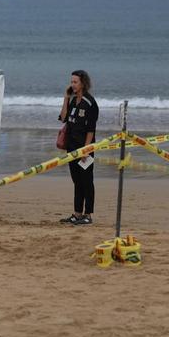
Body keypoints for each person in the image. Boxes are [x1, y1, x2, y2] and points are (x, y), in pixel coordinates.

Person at [58, 70, 99, 225]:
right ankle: (77, 214)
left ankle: (88, 214)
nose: (72, 84)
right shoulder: (73, 100)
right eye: (71, 82)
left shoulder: (90, 103)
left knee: (87, 181)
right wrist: (66, 98)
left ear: (83, 83)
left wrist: (86, 150)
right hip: (72, 147)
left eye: (75, 82)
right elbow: (63, 118)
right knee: (76, 181)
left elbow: (91, 130)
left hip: (85, 149)